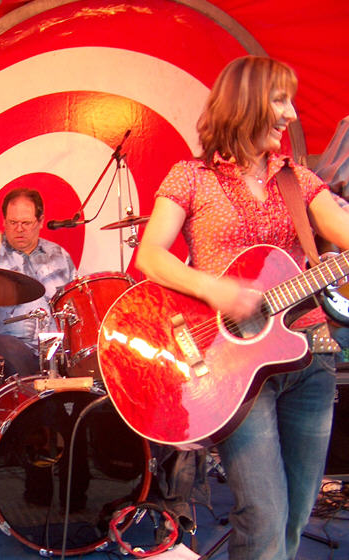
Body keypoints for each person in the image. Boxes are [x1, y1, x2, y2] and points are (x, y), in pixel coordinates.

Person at [135, 56, 349, 560]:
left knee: (296, 516)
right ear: (246, 102)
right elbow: (150, 255)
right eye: (281, 100)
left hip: (309, 359)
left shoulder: (298, 180)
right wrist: (216, 290)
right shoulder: (190, 177)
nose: (291, 114)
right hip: (233, 368)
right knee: (264, 517)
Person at [0, 188, 76, 376]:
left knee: (84, 359)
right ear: (4, 221)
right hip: (4, 344)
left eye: (26, 223)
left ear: (41, 221)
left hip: (53, 348)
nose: (19, 229)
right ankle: (33, 390)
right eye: (13, 222)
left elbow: (75, 305)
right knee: (10, 351)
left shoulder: (59, 256)